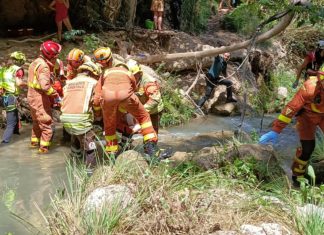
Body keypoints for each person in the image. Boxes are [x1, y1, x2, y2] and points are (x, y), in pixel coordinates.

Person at [259, 64, 324, 184]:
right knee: (308, 149)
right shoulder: (309, 87)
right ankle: (297, 176)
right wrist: (276, 130)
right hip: (307, 117)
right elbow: (291, 109)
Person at [93, 63, 160, 161]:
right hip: (126, 97)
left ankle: (112, 155)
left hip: (107, 99)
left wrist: (98, 114)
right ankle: (151, 147)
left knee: (109, 126)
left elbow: (96, 99)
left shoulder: (105, 73)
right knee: (144, 117)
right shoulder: (129, 73)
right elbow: (132, 89)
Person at [60, 61, 101, 168]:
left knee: (76, 135)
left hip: (65, 120)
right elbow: (96, 102)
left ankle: (74, 161)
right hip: (81, 120)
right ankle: (90, 172)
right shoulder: (93, 82)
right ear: (92, 73)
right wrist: (98, 114)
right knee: (90, 147)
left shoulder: (69, 82)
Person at [27, 40, 62, 153]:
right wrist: (55, 94)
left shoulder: (35, 62)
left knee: (36, 122)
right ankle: (44, 150)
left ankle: (34, 144)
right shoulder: (44, 67)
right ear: (51, 55)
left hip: (31, 96)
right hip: (39, 98)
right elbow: (45, 86)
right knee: (47, 123)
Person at [126, 59, 164, 134]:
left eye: (133, 75)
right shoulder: (128, 81)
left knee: (151, 135)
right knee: (129, 130)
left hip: (154, 112)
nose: (131, 78)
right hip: (139, 110)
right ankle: (126, 144)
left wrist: (141, 111)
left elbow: (155, 100)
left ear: (139, 73)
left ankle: (151, 145)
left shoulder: (148, 82)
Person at [0, 52, 26, 143]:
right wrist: (29, 84)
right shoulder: (18, 69)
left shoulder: (3, 69)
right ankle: (5, 142)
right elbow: (19, 83)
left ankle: (16, 133)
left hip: (3, 97)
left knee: (15, 114)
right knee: (11, 123)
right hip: (10, 97)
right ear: (19, 61)